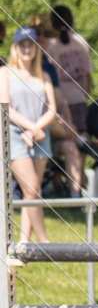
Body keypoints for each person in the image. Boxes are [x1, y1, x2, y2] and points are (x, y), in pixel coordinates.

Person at [0, 27, 56, 242]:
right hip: (15, 134)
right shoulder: (5, 73)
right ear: (15, 47)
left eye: (30, 44)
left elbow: (52, 109)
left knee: (32, 192)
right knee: (32, 188)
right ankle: (44, 243)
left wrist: (36, 129)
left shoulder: (44, 75)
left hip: (41, 135)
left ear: (36, 47)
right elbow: (6, 107)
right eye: (22, 44)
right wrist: (30, 129)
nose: (26, 48)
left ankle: (24, 243)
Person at [44, 5, 92, 201]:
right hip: (79, 100)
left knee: (60, 144)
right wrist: (84, 95)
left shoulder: (50, 45)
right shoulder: (81, 42)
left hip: (59, 101)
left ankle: (57, 183)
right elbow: (88, 76)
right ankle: (77, 186)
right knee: (79, 145)